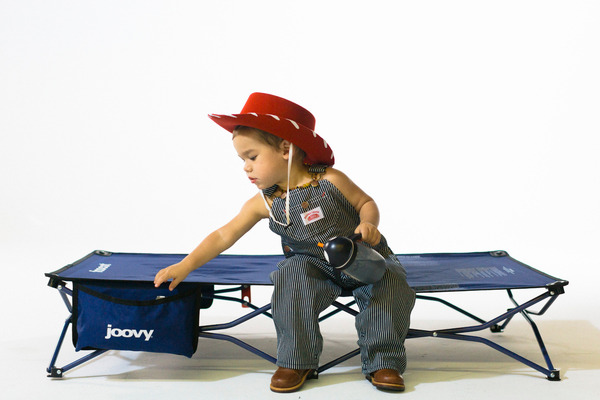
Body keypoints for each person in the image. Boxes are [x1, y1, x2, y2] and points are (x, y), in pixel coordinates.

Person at [154, 92, 416, 393]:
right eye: (242, 160)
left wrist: (368, 223)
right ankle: (296, 360)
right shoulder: (264, 203)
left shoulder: (330, 180)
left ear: (286, 149)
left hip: (361, 256)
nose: (246, 167)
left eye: (252, 157)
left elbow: (365, 202)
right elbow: (224, 235)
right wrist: (186, 265)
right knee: (291, 278)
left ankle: (384, 361)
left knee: (390, 283)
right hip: (312, 264)